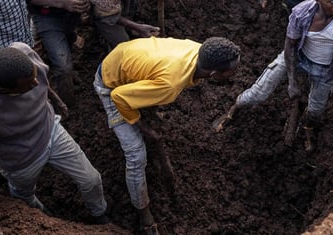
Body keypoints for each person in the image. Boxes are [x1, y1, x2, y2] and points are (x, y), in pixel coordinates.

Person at [92, 36, 240, 234]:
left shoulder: (200, 51)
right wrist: (143, 127)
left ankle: (144, 100)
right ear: (213, 74)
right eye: (233, 70)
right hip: (109, 83)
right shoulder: (170, 84)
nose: (236, 73)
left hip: (126, 56)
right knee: (136, 155)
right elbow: (119, 96)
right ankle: (144, 213)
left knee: (154, 97)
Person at [214, 0, 333, 150]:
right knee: (257, 94)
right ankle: (233, 111)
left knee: (315, 111)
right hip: (296, 57)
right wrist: (291, 82)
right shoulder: (301, 13)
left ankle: (307, 128)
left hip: (325, 69)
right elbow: (290, 46)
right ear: (318, 0)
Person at [0, 43, 108, 230]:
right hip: (21, 162)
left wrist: (55, 99)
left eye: (34, 77)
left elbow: (42, 82)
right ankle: (47, 220)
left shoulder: (23, 54)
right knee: (25, 201)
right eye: (28, 85)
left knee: (91, 179)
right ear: (8, 91)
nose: (36, 84)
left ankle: (99, 214)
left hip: (51, 132)